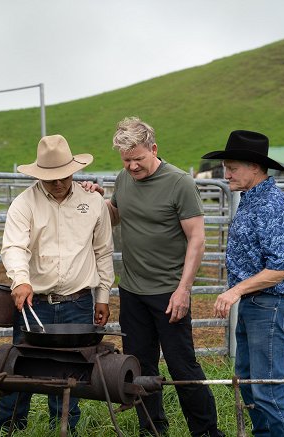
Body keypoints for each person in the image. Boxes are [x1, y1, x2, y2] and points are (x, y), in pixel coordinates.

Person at [85, 117, 223, 437]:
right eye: (126, 160)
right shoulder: (123, 178)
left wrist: (183, 290)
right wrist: (94, 200)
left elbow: (197, 238)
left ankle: (206, 432)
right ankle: (153, 429)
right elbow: (117, 215)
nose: (132, 166)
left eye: (138, 159)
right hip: (132, 289)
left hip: (168, 291)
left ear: (154, 149)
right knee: (140, 366)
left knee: (182, 366)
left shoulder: (179, 183)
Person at [0, 134, 115, 433]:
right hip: (34, 301)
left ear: (73, 170)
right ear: (40, 176)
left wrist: (103, 296)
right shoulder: (24, 203)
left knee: (69, 372)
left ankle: (64, 429)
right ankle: (10, 427)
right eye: (51, 179)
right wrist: (21, 281)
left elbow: (103, 251)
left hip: (79, 300)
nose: (59, 183)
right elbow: (14, 247)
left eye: (63, 176)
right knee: (19, 368)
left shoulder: (92, 202)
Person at [203, 130, 284, 437]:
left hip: (271, 304)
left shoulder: (272, 204)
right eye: (226, 166)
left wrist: (236, 290)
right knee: (248, 382)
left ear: (256, 168)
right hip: (257, 304)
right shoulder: (251, 201)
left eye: (233, 167)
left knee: (268, 388)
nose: (227, 173)